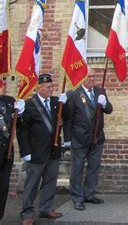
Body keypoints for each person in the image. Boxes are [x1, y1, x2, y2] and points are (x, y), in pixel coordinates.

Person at [17, 74, 67, 225]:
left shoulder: (56, 102)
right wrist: (25, 152)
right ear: (39, 88)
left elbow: (67, 117)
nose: (51, 89)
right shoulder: (30, 105)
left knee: (50, 181)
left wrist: (66, 102)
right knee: (32, 184)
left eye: (52, 86)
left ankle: (46, 208)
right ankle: (27, 213)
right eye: (48, 87)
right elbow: (22, 130)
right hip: (36, 152)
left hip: (53, 150)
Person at [63, 67, 113, 211]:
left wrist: (105, 104)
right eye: (89, 76)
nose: (92, 79)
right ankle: (77, 197)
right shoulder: (73, 94)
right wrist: (67, 139)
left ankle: (89, 194)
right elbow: (68, 119)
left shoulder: (100, 92)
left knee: (94, 167)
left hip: (97, 137)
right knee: (77, 169)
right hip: (79, 138)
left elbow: (109, 110)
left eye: (94, 76)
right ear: (82, 78)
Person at [0, 78, 23, 221]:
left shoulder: (9, 100)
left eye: (4, 83)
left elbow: (17, 125)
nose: (4, 86)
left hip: (7, 150)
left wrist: (19, 115)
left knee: (3, 186)